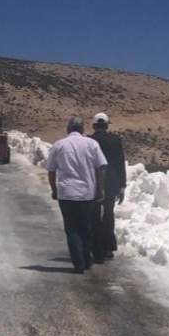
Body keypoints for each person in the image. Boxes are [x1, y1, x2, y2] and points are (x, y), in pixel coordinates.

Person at [46, 117, 108, 274]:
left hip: (66, 194)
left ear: (68, 129)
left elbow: (51, 170)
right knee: (86, 228)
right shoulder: (92, 144)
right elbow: (101, 168)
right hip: (86, 194)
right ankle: (86, 260)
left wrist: (54, 189)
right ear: (82, 130)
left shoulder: (59, 145)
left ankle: (78, 263)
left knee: (71, 229)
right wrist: (100, 190)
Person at [89, 112, 126, 262]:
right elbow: (120, 163)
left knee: (94, 216)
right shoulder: (115, 140)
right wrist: (122, 185)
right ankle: (108, 248)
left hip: (94, 183)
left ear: (94, 125)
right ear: (106, 125)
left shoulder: (89, 141)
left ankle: (95, 247)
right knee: (108, 215)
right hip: (111, 183)